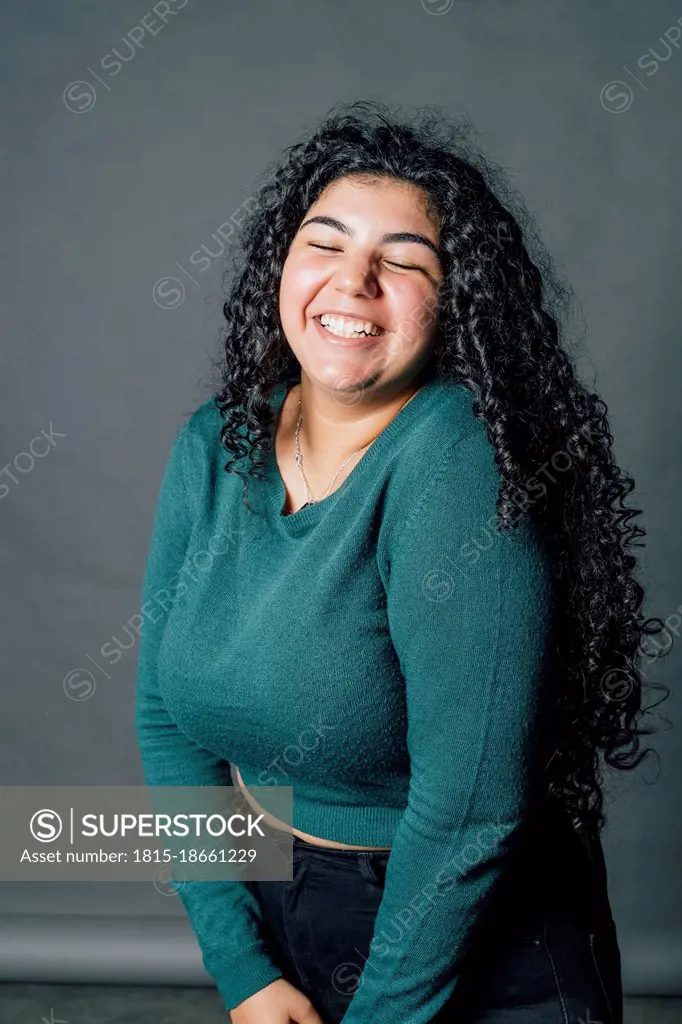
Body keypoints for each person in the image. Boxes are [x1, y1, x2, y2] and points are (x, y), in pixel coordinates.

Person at [135, 101, 669, 1024]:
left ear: (454, 300)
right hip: (284, 910)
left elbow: (467, 811)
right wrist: (243, 969)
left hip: (471, 933)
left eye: (405, 261)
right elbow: (165, 721)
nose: (355, 283)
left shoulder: (452, 461)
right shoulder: (214, 446)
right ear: (280, 263)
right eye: (326, 244)